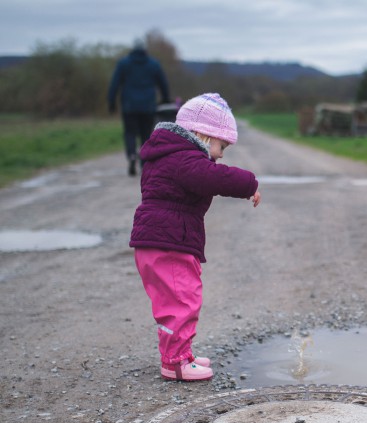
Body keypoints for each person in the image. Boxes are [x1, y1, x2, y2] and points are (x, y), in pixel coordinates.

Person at [130, 93, 261, 382]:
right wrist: (249, 184)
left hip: (159, 240)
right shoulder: (185, 159)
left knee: (177, 300)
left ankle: (181, 353)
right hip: (169, 243)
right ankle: (175, 362)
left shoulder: (168, 155)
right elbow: (213, 177)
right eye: (221, 145)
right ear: (202, 134)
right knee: (181, 302)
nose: (221, 154)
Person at [108, 39, 170, 176]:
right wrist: (165, 99)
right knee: (146, 134)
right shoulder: (153, 64)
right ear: (144, 50)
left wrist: (111, 102)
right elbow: (163, 84)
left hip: (129, 106)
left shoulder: (124, 63)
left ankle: (131, 155)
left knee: (129, 133)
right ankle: (144, 162)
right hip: (148, 106)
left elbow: (115, 84)